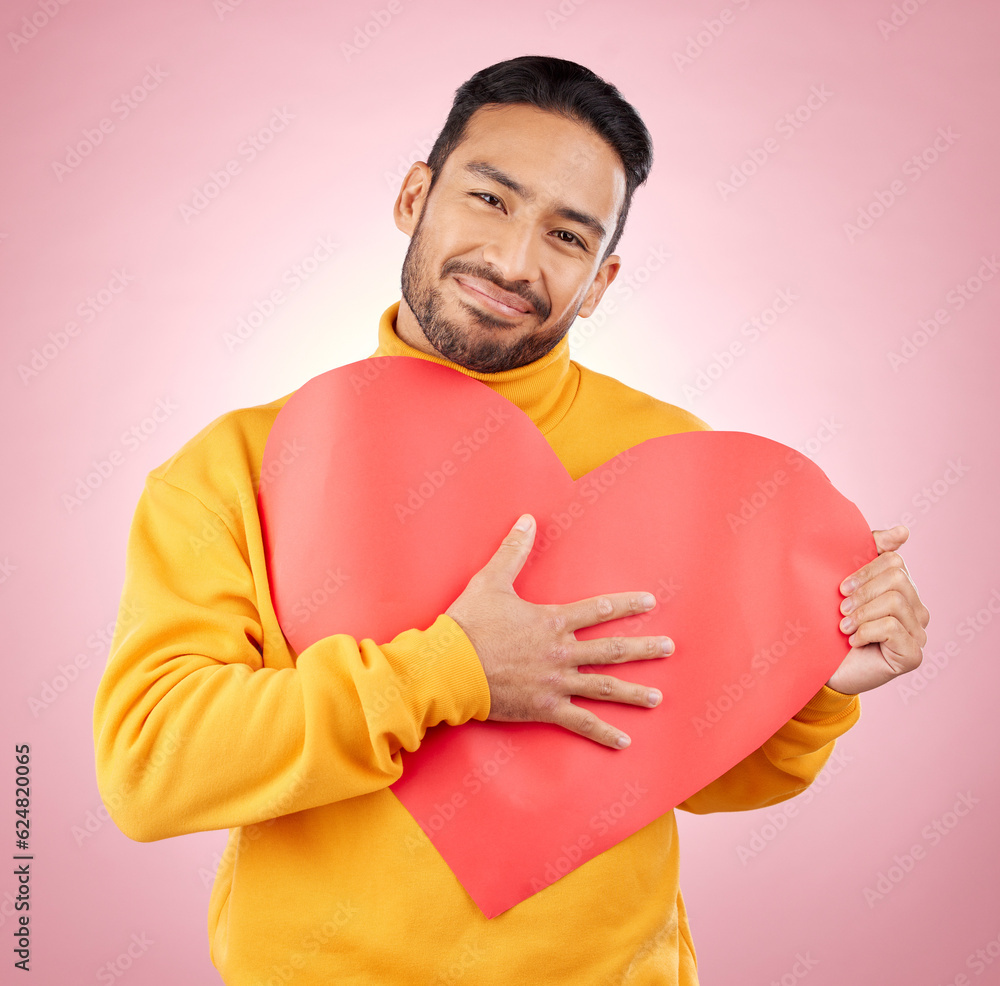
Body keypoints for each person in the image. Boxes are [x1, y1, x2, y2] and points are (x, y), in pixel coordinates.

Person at [93, 55, 930, 984]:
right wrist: (448, 672)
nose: (515, 261)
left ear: (603, 279)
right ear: (416, 194)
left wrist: (817, 684)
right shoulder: (236, 467)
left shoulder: (674, 464)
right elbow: (150, 767)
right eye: (491, 200)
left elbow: (706, 769)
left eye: (568, 236)